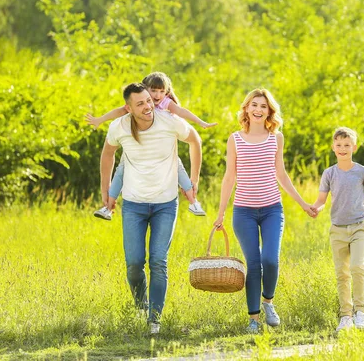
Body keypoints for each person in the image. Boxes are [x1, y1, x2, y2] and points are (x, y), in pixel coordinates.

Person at [100, 82, 202, 335]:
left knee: (158, 261)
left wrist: (195, 178)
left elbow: (195, 140)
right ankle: (140, 305)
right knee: (134, 263)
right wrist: (105, 190)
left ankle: (154, 320)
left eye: (149, 100)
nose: (148, 106)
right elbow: (107, 154)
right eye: (141, 103)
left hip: (165, 205)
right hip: (133, 205)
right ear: (128, 108)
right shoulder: (120, 126)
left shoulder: (169, 121)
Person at [213, 88, 315, 334]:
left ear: (269, 111)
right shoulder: (235, 138)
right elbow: (229, 177)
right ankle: (253, 319)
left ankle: (268, 301)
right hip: (243, 212)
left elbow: (281, 174)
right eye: (254, 105)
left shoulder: (275, 138)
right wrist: (220, 213)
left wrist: (303, 204)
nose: (258, 110)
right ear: (246, 109)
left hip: (272, 210)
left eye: (263, 106)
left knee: (270, 259)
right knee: (254, 263)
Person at [86, 72, 215, 219]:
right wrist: (100, 120)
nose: (157, 96)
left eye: (161, 91)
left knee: (178, 168)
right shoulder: (131, 112)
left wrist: (201, 123)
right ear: (145, 89)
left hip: (164, 155)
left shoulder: (166, 105)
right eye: (153, 91)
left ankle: (193, 202)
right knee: (121, 170)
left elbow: (181, 112)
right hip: (135, 182)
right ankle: (108, 207)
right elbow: (119, 112)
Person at [311, 127, 364, 332]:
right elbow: (321, 200)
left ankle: (360, 313)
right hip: (337, 230)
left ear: (354, 147)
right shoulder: (329, 173)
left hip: (358, 227)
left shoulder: (361, 171)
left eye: (347, 145)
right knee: (341, 274)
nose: (343, 148)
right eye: (339, 145)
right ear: (333, 148)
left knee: (357, 266)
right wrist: (316, 209)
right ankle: (346, 316)